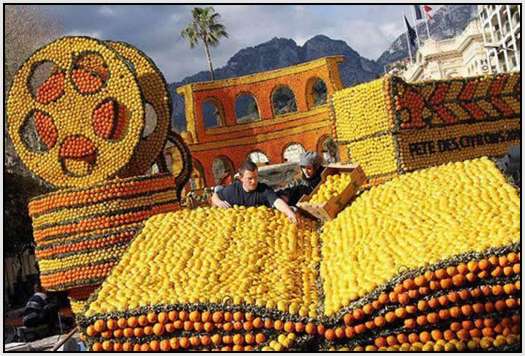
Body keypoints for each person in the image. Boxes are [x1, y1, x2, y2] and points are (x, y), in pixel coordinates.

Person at [211, 160, 299, 224]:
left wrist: (289, 213)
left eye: (256, 177)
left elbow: (277, 201)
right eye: (250, 178)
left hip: (259, 227)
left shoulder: (263, 189)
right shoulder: (233, 190)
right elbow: (215, 195)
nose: (254, 181)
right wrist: (218, 202)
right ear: (241, 178)